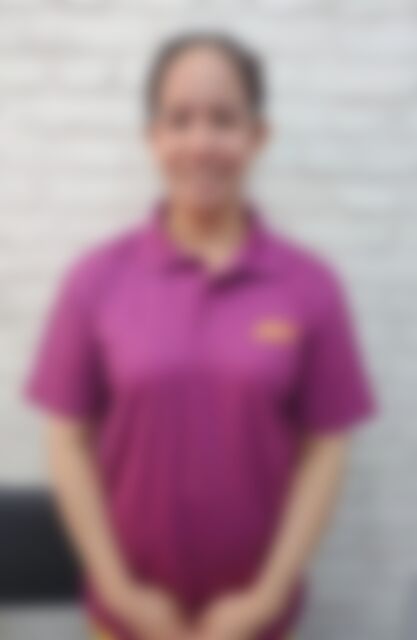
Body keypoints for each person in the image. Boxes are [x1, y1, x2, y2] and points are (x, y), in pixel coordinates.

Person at [25, 33, 375, 640]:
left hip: (255, 623)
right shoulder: (97, 280)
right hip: (125, 620)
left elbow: (327, 448)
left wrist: (265, 598)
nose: (201, 142)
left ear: (257, 135)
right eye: (180, 119)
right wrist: (120, 590)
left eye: (223, 119)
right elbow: (67, 440)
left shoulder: (309, 286)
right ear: (153, 137)